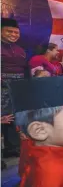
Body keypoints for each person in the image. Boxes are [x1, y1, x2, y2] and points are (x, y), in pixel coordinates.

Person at [1, 18, 27, 159]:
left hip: (17, 90)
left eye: (16, 32)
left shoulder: (20, 50)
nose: (13, 34)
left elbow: (25, 70)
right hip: (2, 90)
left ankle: (11, 148)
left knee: (13, 118)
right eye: (9, 31)